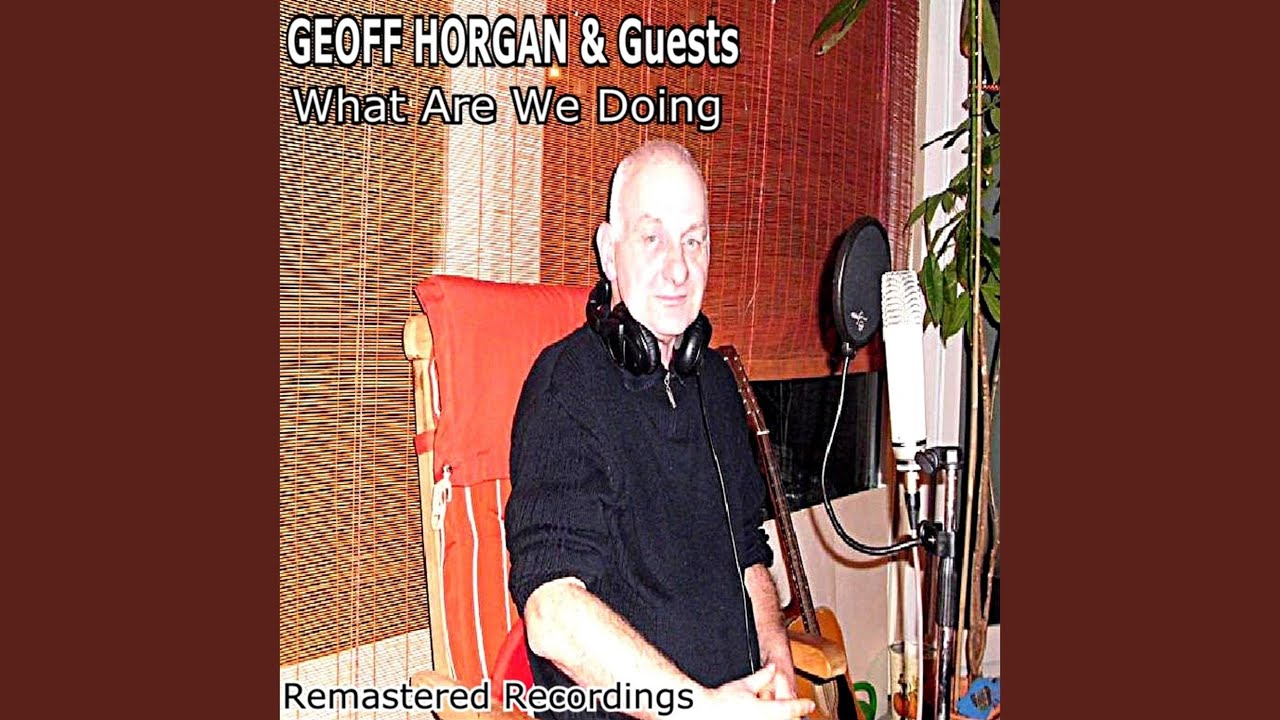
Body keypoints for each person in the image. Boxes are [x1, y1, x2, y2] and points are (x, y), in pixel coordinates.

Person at [504, 140, 814, 720]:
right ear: (609, 250)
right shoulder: (566, 386)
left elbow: (749, 553)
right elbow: (551, 612)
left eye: (694, 240)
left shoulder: (714, 383)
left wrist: (777, 669)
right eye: (653, 238)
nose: (678, 268)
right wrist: (702, 709)